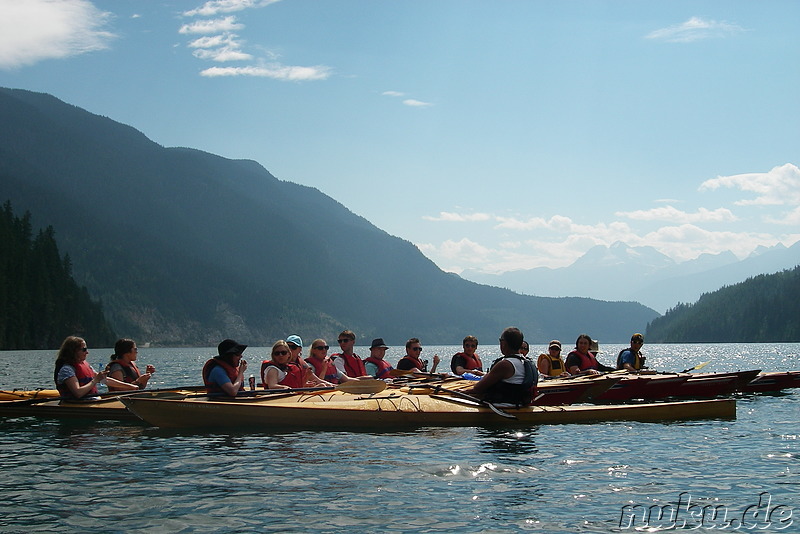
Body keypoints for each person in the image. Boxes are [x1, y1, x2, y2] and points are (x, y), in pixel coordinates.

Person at [466, 327, 537, 406]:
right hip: (520, 405)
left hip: (504, 408)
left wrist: (460, 392)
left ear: (504, 343)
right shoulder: (525, 362)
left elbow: (477, 388)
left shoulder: (505, 364)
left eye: (500, 340)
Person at [53, 336, 125, 399]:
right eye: (84, 349)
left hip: (92, 401)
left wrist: (131, 387)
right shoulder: (67, 369)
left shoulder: (86, 365)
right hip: (76, 405)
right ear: (73, 351)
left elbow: (104, 380)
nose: (87, 352)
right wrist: (95, 380)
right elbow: (78, 393)